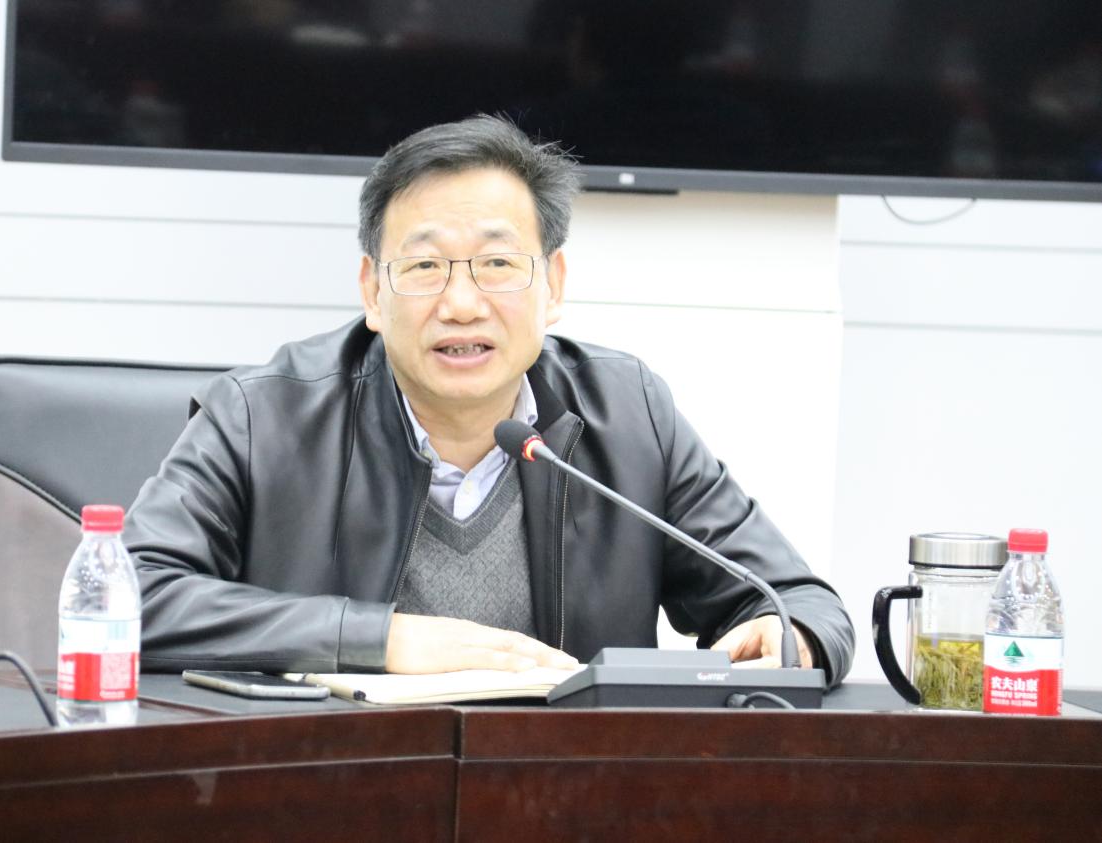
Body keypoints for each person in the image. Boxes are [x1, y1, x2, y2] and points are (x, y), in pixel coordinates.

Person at [126, 115, 854, 685]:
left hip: (566, 792)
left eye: (498, 263)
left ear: (552, 286)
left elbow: (800, 601)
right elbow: (128, 598)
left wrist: (791, 635)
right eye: (424, 266)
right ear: (373, 291)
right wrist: (381, 639)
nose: (462, 303)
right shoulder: (262, 417)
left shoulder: (628, 414)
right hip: (330, 785)